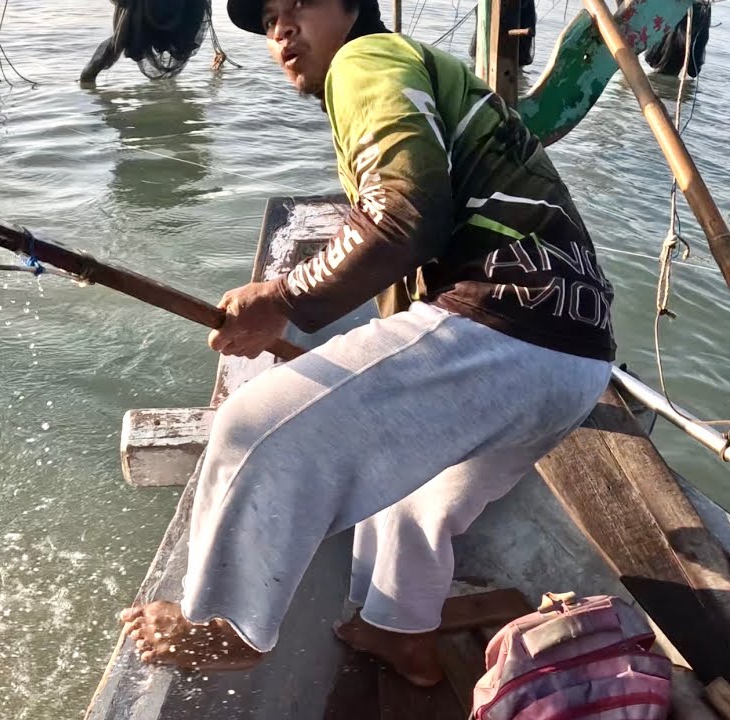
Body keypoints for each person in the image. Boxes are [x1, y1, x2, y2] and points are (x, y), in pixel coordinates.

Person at [119, 0, 615, 687]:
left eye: (298, 4)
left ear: (353, 6)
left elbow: (405, 214)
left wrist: (284, 297)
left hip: (505, 319)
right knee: (416, 497)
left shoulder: (364, 59)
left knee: (250, 430)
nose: (282, 28)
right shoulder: (421, 69)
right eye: (267, 20)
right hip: (579, 356)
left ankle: (223, 626)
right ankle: (396, 631)